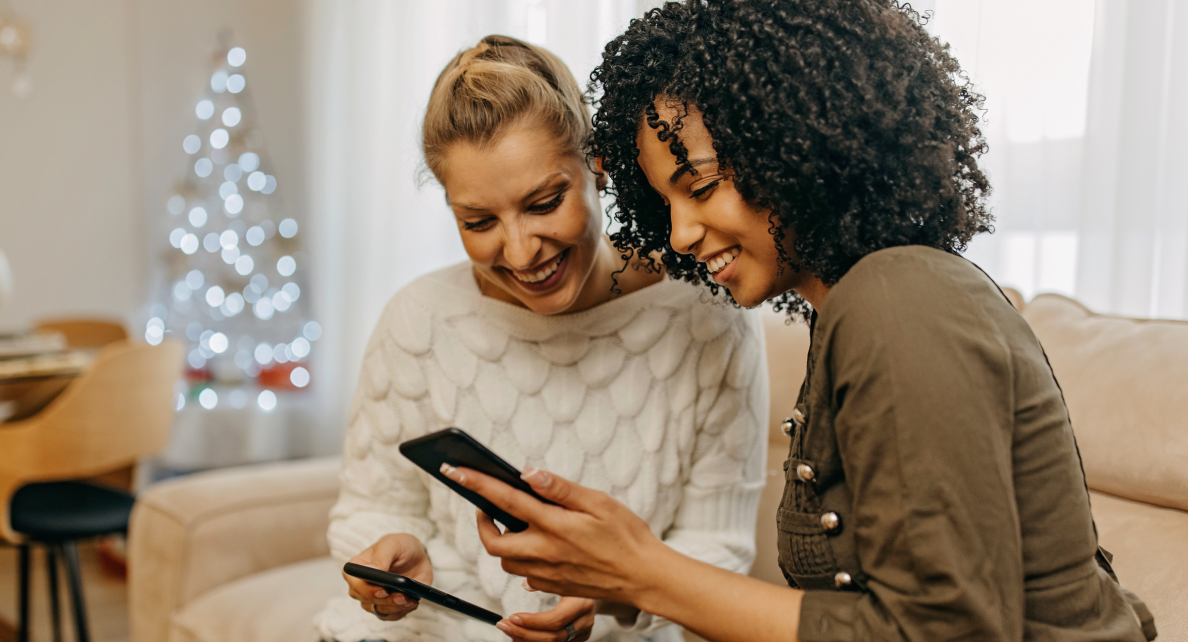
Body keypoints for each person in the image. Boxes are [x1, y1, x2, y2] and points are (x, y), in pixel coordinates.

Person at [439, 3, 1158, 641]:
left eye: (702, 185)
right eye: (666, 203)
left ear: (794, 143)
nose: (681, 234)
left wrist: (645, 572)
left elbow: (947, 629)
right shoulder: (854, 305)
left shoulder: (898, 301)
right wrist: (619, 588)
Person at [313, 35, 769, 642]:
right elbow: (370, 508)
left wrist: (609, 596)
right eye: (478, 222)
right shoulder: (417, 320)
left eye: (545, 202)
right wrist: (399, 557)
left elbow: (718, 548)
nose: (521, 251)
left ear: (598, 165)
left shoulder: (710, 317)